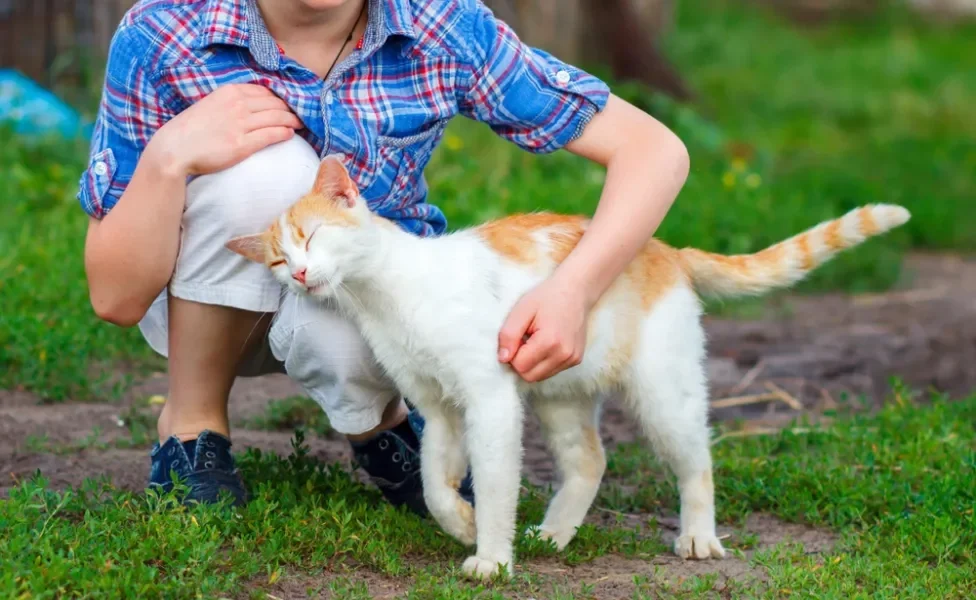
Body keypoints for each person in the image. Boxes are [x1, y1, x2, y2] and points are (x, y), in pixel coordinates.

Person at [80, 0, 690, 512]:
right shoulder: (163, 31)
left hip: (350, 295)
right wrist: (169, 155)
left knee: (374, 310)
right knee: (266, 174)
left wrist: (574, 290)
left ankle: (382, 425)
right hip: (207, 293)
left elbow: (654, 151)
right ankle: (191, 430)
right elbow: (115, 296)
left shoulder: (438, 24)